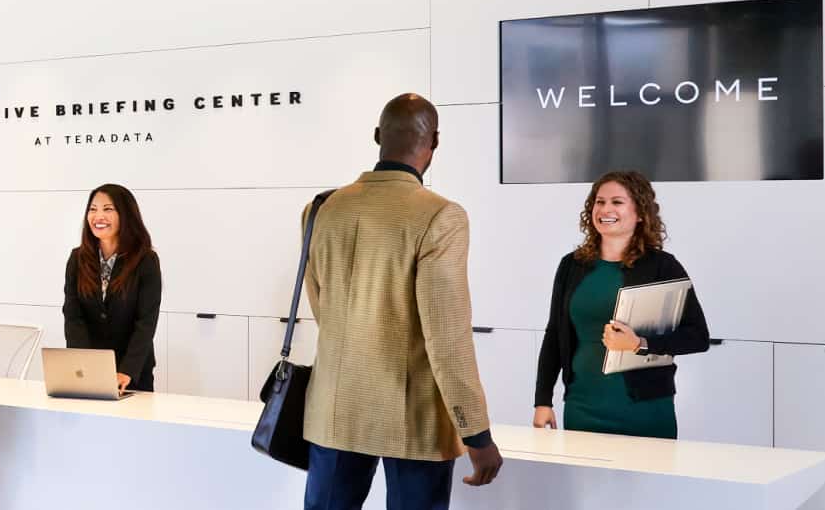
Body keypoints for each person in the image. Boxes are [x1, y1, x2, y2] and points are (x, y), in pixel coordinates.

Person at [301, 93, 503, 510]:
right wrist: (476, 435)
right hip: (414, 420)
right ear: (435, 143)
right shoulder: (440, 216)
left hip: (334, 409)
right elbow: (447, 340)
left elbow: (324, 309)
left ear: (377, 136)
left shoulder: (321, 208)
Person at [533, 170, 710, 438]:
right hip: (582, 404)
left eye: (617, 202)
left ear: (640, 213)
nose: (605, 209)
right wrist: (543, 400)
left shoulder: (663, 266)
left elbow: (697, 337)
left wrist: (639, 344)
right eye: (599, 201)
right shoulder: (572, 265)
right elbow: (555, 336)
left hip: (644, 408)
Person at [62, 184, 162, 393]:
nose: (98, 216)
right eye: (93, 209)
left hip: (132, 374)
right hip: (88, 372)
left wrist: (127, 370)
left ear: (125, 215)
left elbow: (146, 322)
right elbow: (73, 317)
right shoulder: (77, 259)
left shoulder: (145, 260)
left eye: (108, 209)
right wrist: (85, 363)